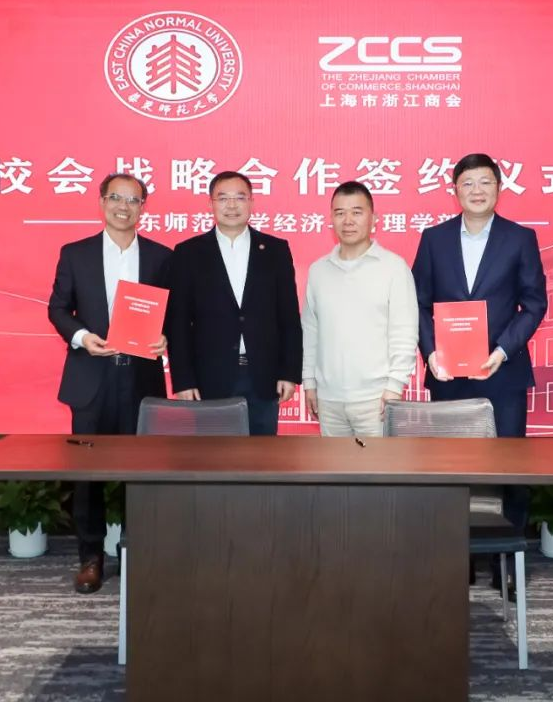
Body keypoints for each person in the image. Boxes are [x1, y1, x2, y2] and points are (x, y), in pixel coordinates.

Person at [412, 153, 548, 591]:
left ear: (499, 189)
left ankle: (507, 565)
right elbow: (419, 303)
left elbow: (534, 303)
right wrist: (430, 352)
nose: (476, 190)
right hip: (448, 375)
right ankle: (459, 561)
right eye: (467, 183)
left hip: (502, 375)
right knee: (452, 472)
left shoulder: (520, 238)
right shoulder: (434, 239)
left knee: (508, 470)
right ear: (454, 190)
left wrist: (503, 350)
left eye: (485, 182)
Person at [47, 172, 170, 594]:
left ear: (143, 208)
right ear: (101, 202)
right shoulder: (75, 253)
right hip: (92, 378)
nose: (124, 207)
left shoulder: (161, 257)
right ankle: (90, 557)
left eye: (133, 200)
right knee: (88, 473)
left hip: (141, 380)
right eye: (116, 198)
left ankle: (141, 553)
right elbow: (58, 308)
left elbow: (174, 314)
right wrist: (82, 337)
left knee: (144, 472)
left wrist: (166, 337)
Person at [165, 171, 302, 435]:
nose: (231, 205)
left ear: (251, 202)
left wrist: (289, 372)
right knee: (212, 454)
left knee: (263, 454)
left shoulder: (275, 250)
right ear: (211, 203)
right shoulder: (188, 252)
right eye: (223, 198)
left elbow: (288, 317)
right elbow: (178, 321)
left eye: (239, 197)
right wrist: (183, 379)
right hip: (209, 377)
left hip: (264, 376)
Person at [301, 181, 418, 437]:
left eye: (357, 212)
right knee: (333, 464)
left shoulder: (394, 268)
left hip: (377, 400)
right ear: (331, 219)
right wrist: (309, 381)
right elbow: (310, 332)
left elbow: (404, 332)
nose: (348, 221)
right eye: (340, 213)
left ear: (373, 218)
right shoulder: (318, 271)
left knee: (378, 464)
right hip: (328, 399)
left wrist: (394, 387)